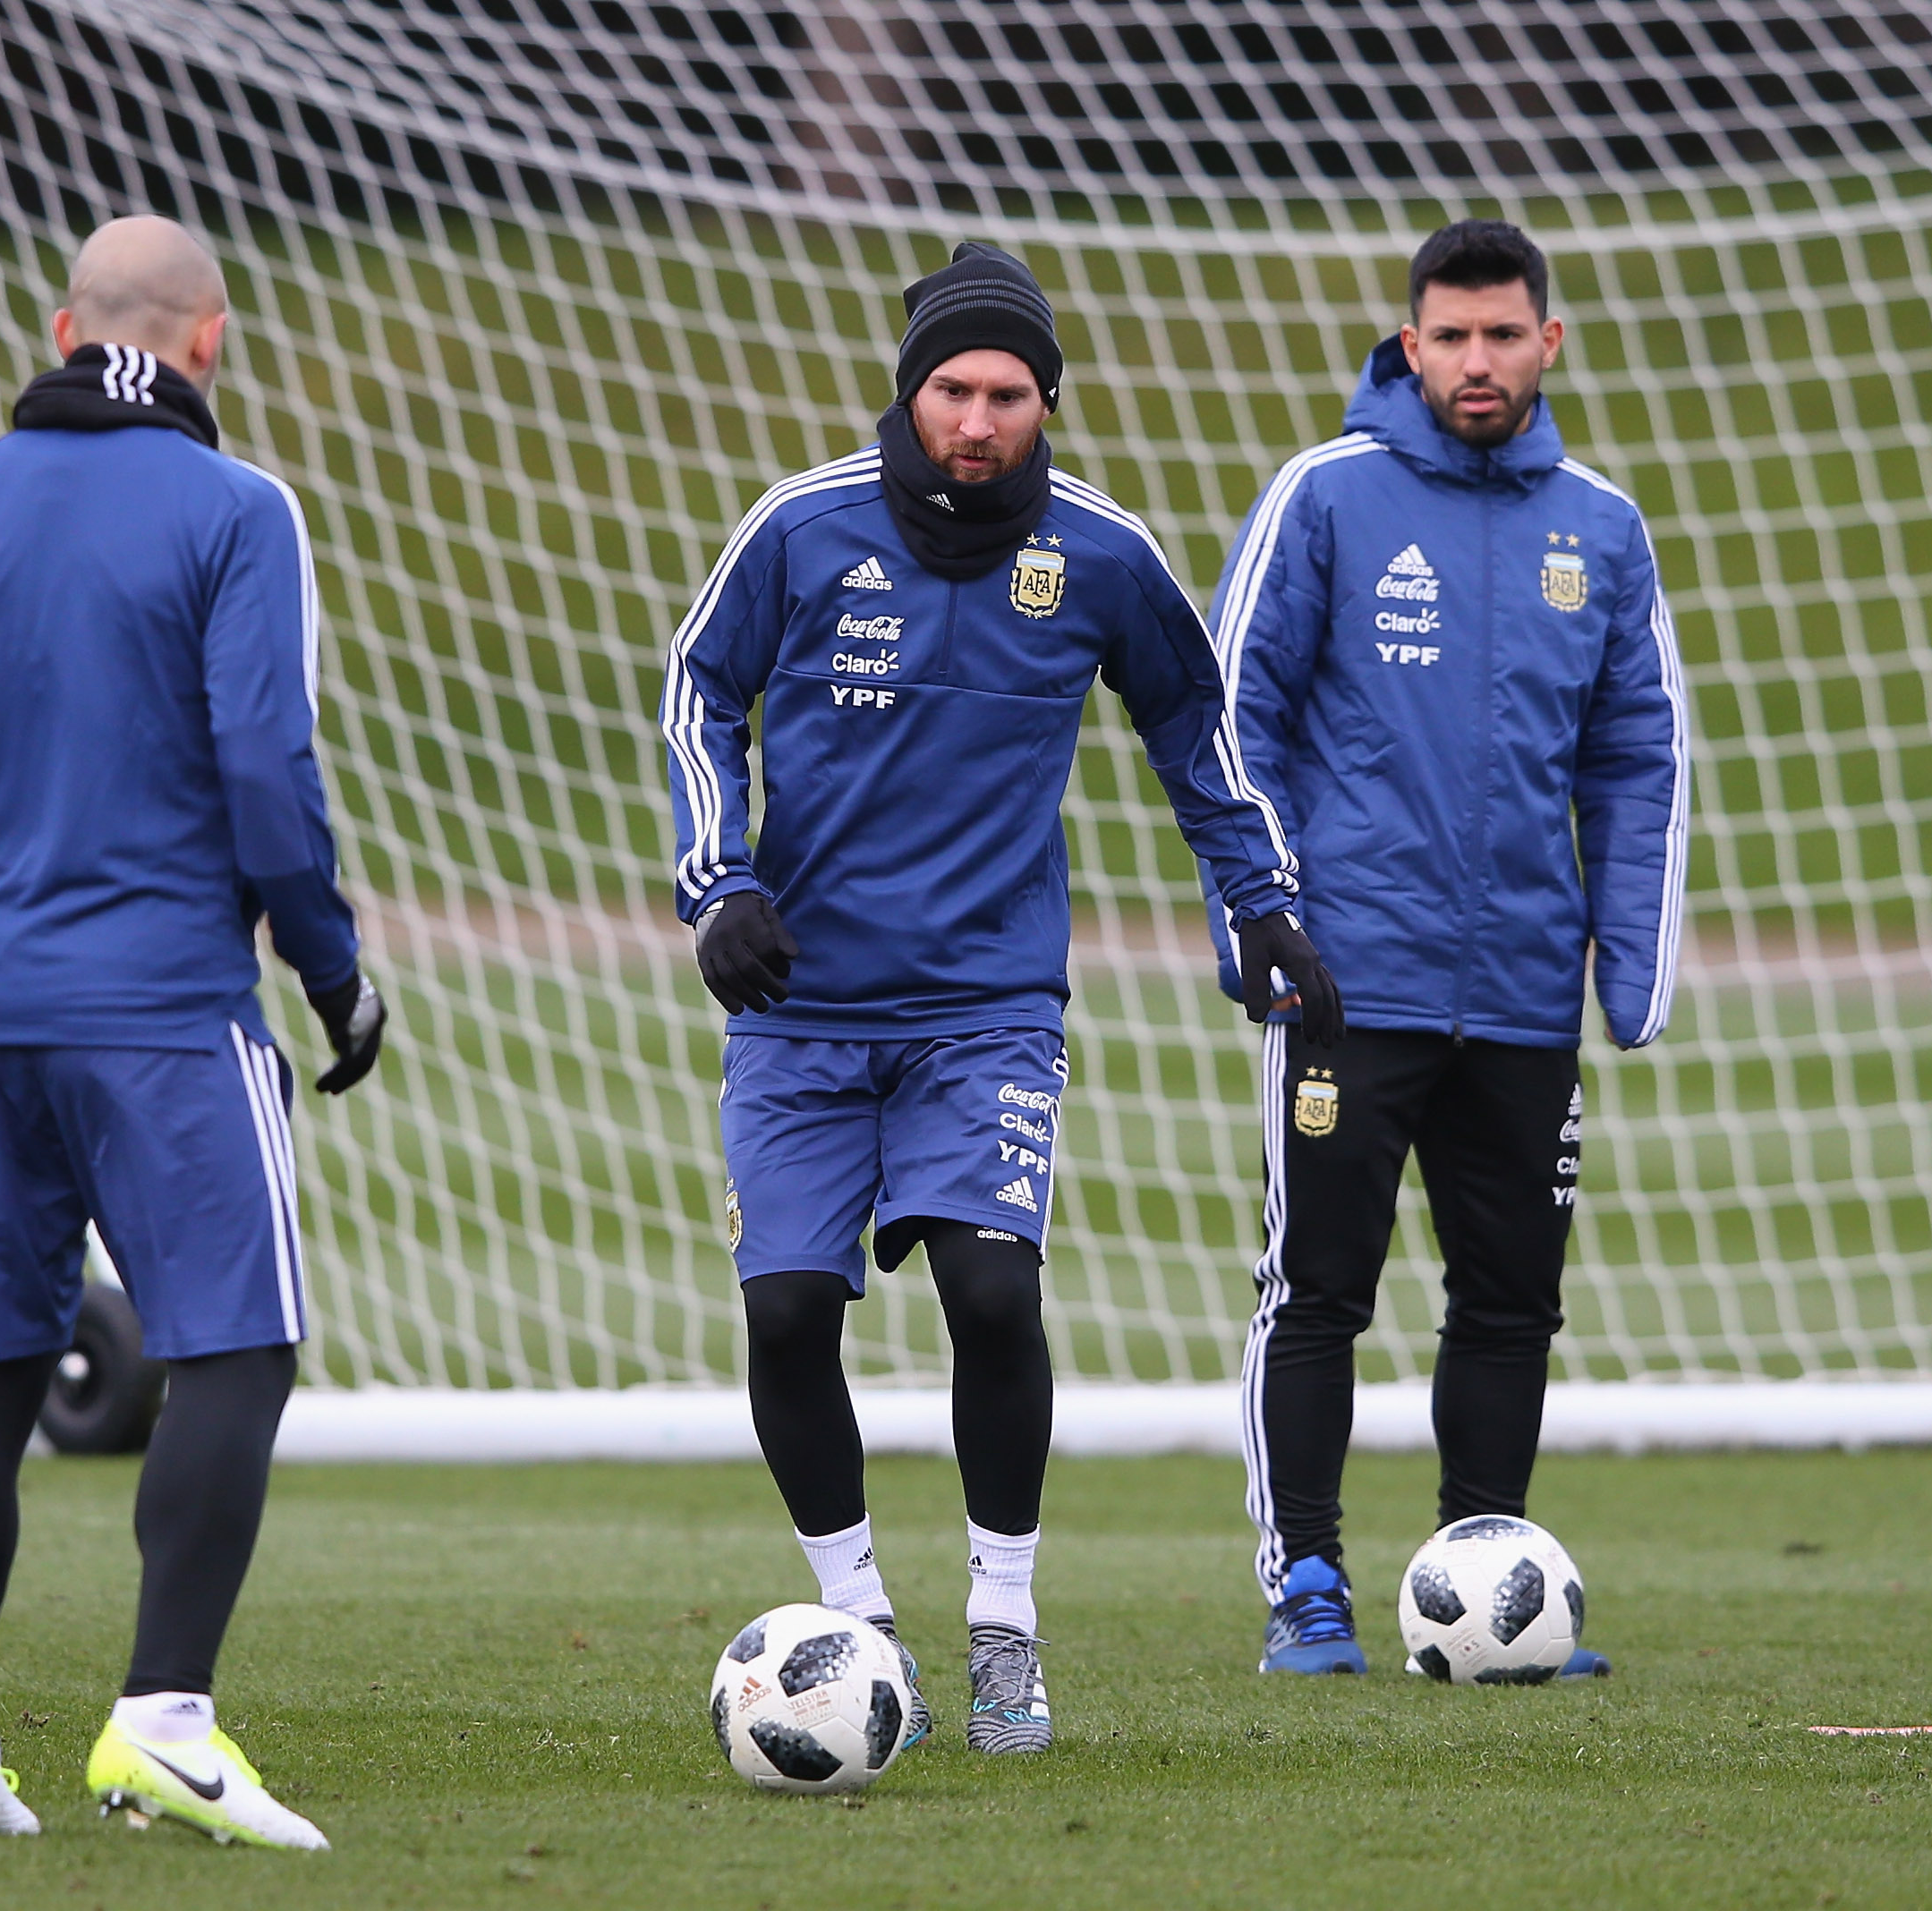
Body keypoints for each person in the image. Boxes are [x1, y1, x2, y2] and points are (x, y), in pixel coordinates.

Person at [0, 216, 386, 1847]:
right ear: (211, 342)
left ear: (59, 330)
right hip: (171, 1011)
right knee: (237, 1354)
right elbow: (264, 766)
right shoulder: (239, 510)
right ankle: (165, 1721)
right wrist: (329, 966)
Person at [662, 242, 1336, 1754]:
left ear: (1047, 403)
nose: (977, 419)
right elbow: (696, 688)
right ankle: (857, 1618)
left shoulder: (1096, 554)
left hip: (987, 1007)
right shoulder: (802, 527)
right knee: (783, 1314)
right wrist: (721, 884)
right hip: (801, 1006)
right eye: (952, 389)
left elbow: (1194, 731)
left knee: (990, 1292)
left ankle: (1005, 1625)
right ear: (909, 393)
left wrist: (1265, 901)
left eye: (1008, 393)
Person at [1209, 219, 1688, 1677]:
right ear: (1407, 347)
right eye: (1449, 336)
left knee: (1508, 1301)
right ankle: (1304, 1580)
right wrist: (1264, 920)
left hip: (1525, 991)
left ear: (1549, 341)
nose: (1476, 361)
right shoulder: (1327, 497)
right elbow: (1239, 716)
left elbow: (1635, 749)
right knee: (1319, 1292)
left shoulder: (1599, 527)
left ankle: (1490, 1586)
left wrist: (1630, 957)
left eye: (1502, 333)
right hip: (1353, 982)